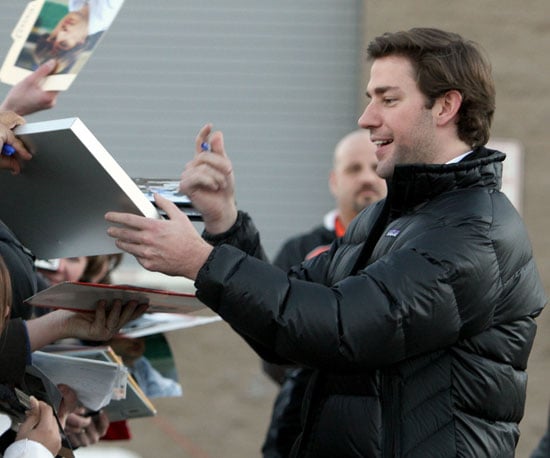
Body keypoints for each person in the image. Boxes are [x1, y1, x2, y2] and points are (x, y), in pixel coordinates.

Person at [105, 27, 548, 457]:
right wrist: (224, 223)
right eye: (369, 98)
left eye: (388, 99)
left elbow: (339, 330)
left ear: (446, 106)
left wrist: (202, 261)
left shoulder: (475, 231)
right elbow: (287, 321)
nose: (366, 118)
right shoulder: (389, 214)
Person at [262, 130, 386, 457]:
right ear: (334, 181)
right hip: (301, 430)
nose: (366, 178)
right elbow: (270, 341)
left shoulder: (407, 250)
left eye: (375, 167)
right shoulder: (299, 251)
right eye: (353, 169)